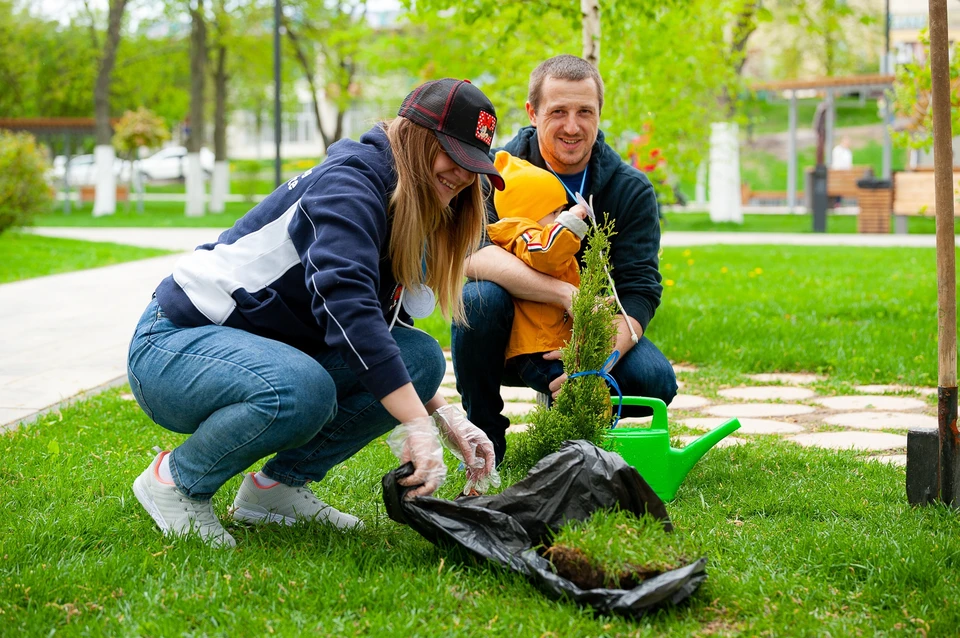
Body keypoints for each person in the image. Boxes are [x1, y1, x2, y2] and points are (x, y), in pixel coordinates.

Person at [127, 78, 503, 547]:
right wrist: (416, 425)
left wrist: (447, 416)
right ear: (415, 136)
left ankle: (275, 492)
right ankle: (175, 480)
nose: (463, 176)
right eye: (453, 155)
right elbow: (351, 314)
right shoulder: (349, 184)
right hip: (174, 345)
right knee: (302, 390)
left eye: (474, 165)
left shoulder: (407, 196)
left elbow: (384, 331)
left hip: (255, 350)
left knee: (420, 359)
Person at [451, 55, 678, 464]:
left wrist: (593, 363)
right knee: (478, 300)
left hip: (582, 332)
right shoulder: (492, 174)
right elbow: (472, 256)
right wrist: (564, 294)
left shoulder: (632, 190)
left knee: (654, 381)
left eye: (584, 112)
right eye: (558, 112)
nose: (572, 127)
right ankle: (485, 441)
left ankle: (576, 423)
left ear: (599, 114)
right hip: (505, 334)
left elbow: (640, 288)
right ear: (532, 113)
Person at [487, 151, 589, 392]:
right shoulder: (522, 234)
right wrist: (569, 223)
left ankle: (585, 425)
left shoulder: (537, 233)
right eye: (554, 213)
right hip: (536, 349)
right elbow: (545, 253)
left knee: (584, 383)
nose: (559, 218)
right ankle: (578, 424)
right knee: (573, 387)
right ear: (528, 213)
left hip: (552, 341)